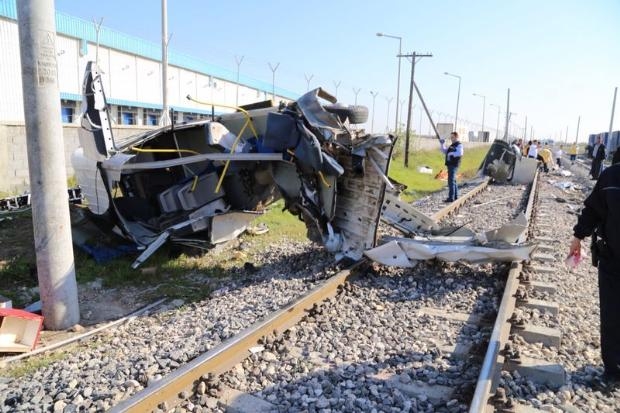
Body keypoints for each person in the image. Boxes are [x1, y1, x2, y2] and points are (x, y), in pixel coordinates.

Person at [569, 162, 620, 383]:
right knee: (611, 314)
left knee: (612, 314)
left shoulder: (613, 175)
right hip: (612, 258)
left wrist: (579, 236)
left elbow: (594, 209)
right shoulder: (612, 176)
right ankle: (613, 369)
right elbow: (594, 210)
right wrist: (578, 235)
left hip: (612, 258)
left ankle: (613, 369)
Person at [439, 132, 463, 203]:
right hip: (450, 164)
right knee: (453, 180)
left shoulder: (459, 145)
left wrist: (451, 154)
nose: (451, 139)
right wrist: (442, 144)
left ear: (456, 137)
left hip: (454, 164)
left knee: (451, 181)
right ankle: (455, 196)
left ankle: (451, 198)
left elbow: (460, 153)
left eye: (452, 137)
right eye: (451, 137)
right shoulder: (452, 145)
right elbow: (444, 151)